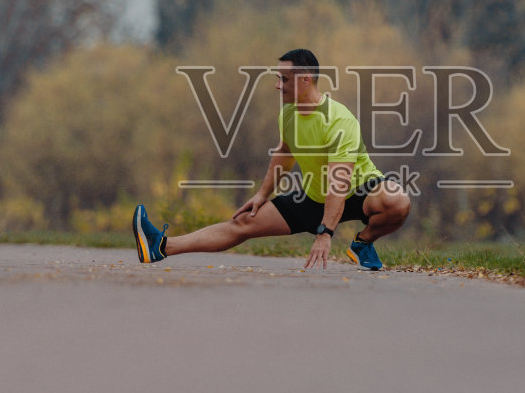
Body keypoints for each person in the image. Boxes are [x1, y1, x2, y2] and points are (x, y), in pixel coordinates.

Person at [133, 48, 411, 270]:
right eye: (277, 78)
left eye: (284, 79)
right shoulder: (288, 113)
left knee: (397, 201)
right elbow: (284, 156)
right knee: (243, 224)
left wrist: (325, 234)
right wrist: (262, 194)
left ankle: (363, 243)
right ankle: (161, 246)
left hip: (360, 190)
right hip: (315, 197)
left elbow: (340, 183)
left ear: (305, 80)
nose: (277, 86)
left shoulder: (339, 120)